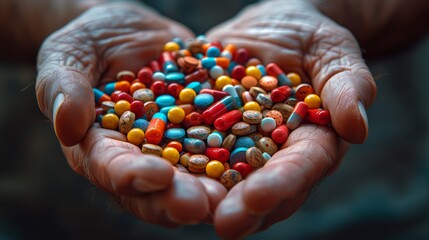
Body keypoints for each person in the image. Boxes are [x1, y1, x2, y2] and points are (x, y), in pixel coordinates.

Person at [2, 0, 428, 239]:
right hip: (49, 223)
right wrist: (66, 15)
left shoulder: (254, 102)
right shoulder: (152, 104)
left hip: (376, 218)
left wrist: (336, 11)